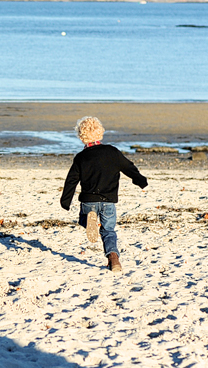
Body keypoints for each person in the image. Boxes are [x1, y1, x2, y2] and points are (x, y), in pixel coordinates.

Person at [60, 116, 148, 272]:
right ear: (100, 132)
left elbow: (71, 180)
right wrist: (140, 180)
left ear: (81, 137)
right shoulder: (112, 152)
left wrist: (65, 201)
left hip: (88, 200)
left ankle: (88, 222)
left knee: (85, 220)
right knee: (108, 231)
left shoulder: (81, 157)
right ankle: (113, 258)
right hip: (108, 201)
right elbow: (129, 167)